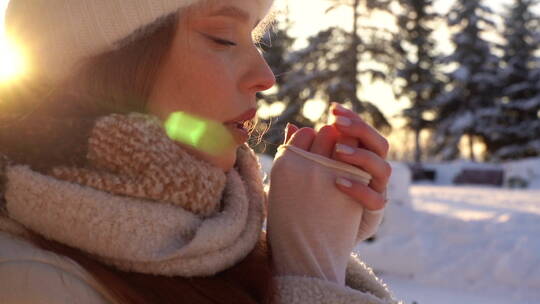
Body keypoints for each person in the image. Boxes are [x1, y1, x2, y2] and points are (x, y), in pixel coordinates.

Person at [0, 0, 399, 303]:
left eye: (255, 40)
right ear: (109, 64)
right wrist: (312, 269)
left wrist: (303, 243)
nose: (265, 77)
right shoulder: (28, 279)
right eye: (223, 38)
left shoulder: (215, 238)